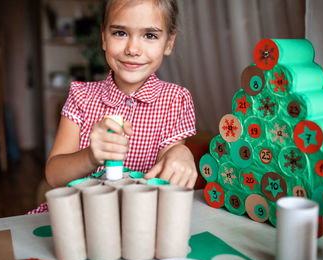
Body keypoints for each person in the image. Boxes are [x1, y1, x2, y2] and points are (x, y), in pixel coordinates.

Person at [29, 0, 197, 214]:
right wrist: (90, 156)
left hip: (140, 220)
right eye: (120, 33)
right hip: (78, 217)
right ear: (104, 37)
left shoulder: (176, 100)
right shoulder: (81, 96)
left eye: (150, 35)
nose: (133, 49)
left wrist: (180, 153)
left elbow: (165, 179)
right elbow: (54, 177)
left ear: (169, 43)